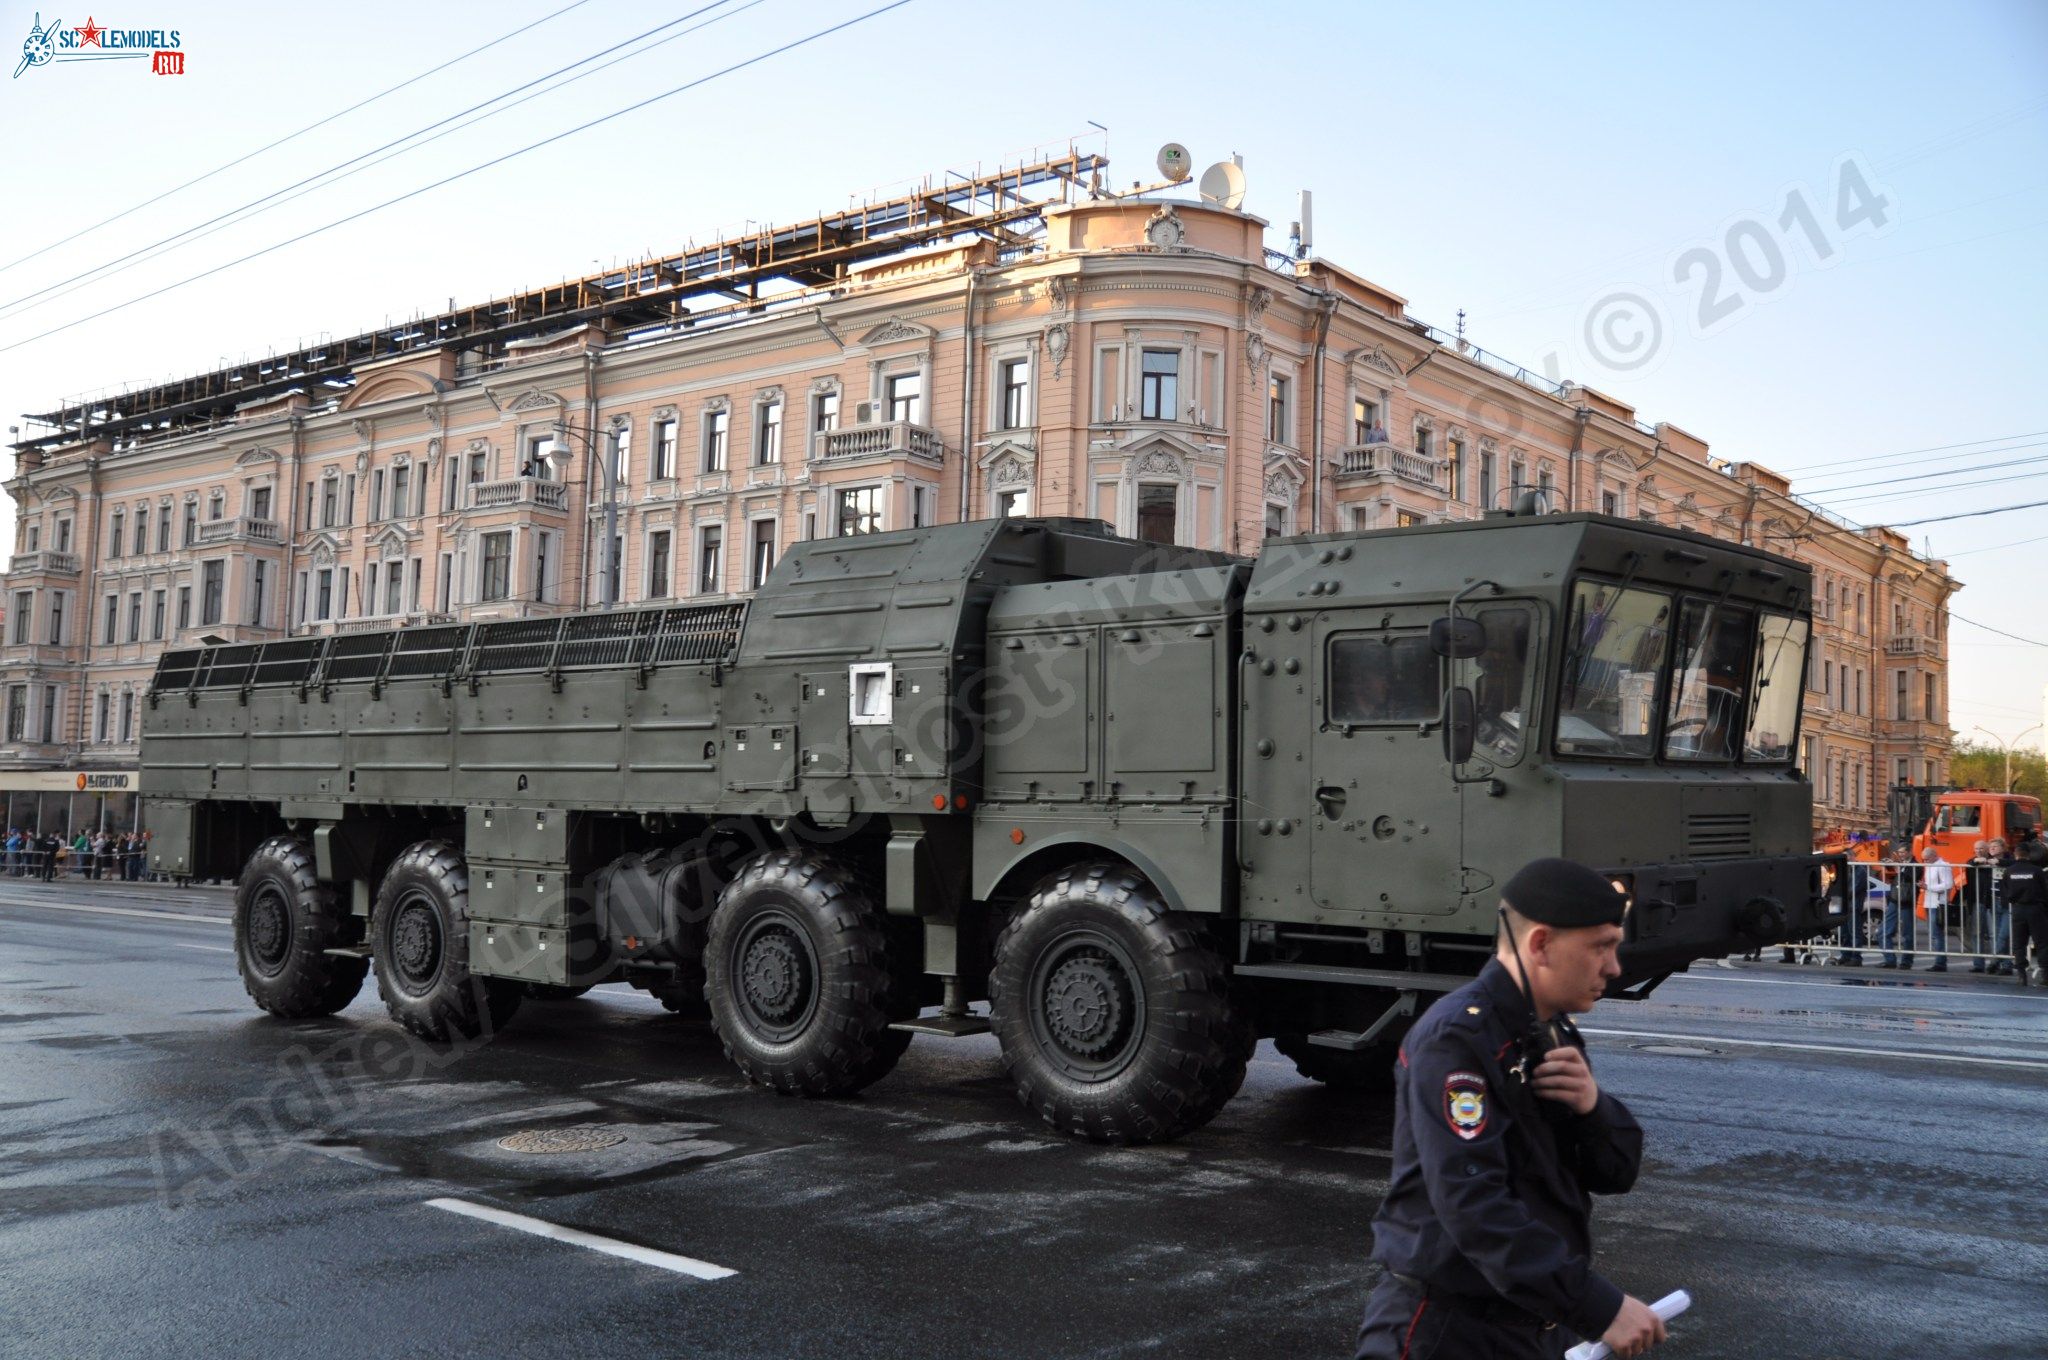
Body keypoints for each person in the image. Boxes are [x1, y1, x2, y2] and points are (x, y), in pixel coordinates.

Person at [1354, 858, 1666, 1360]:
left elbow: (1616, 1173)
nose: (1614, 967)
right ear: (1540, 944)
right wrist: (1599, 1307)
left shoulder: (1547, 1028)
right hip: (1452, 1333)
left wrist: (1594, 1109)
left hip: (1535, 1325)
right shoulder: (1458, 1039)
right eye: (1601, 947)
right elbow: (1474, 1204)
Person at [2009, 840, 2048, 986]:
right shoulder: (2037, 871)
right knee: (2042, 942)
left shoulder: (2010, 871)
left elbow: (2007, 893)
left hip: (2018, 909)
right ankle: (2045, 975)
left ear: (2016, 854)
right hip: (2036, 909)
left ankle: (2021, 975)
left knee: (2019, 944)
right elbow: (2044, 890)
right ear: (2029, 855)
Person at [1918, 847, 1954, 973]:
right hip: (1930, 902)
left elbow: (1948, 884)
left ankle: (1940, 962)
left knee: (1936, 934)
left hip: (1938, 903)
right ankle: (1939, 961)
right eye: (1924, 859)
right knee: (1934, 933)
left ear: (1934, 856)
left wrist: (1928, 886)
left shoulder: (1943, 866)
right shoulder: (1931, 865)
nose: (1925, 862)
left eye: (1927, 859)